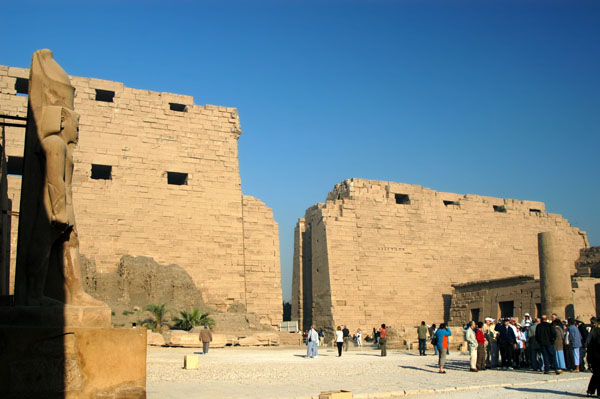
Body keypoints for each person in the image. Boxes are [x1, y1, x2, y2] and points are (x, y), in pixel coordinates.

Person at [14, 49, 105, 308]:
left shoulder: (62, 146)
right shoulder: (54, 143)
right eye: (76, 122)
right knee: (43, 246)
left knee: (70, 246)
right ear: (63, 119)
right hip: (53, 206)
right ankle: (33, 294)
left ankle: (75, 292)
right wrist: (58, 210)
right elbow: (54, 180)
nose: (78, 128)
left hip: (65, 205)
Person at [587, 321, 600, 396]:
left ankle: (590, 390)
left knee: (596, 375)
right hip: (597, 357)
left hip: (594, 357)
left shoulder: (593, 332)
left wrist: (589, 360)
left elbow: (589, 346)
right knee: (597, 375)